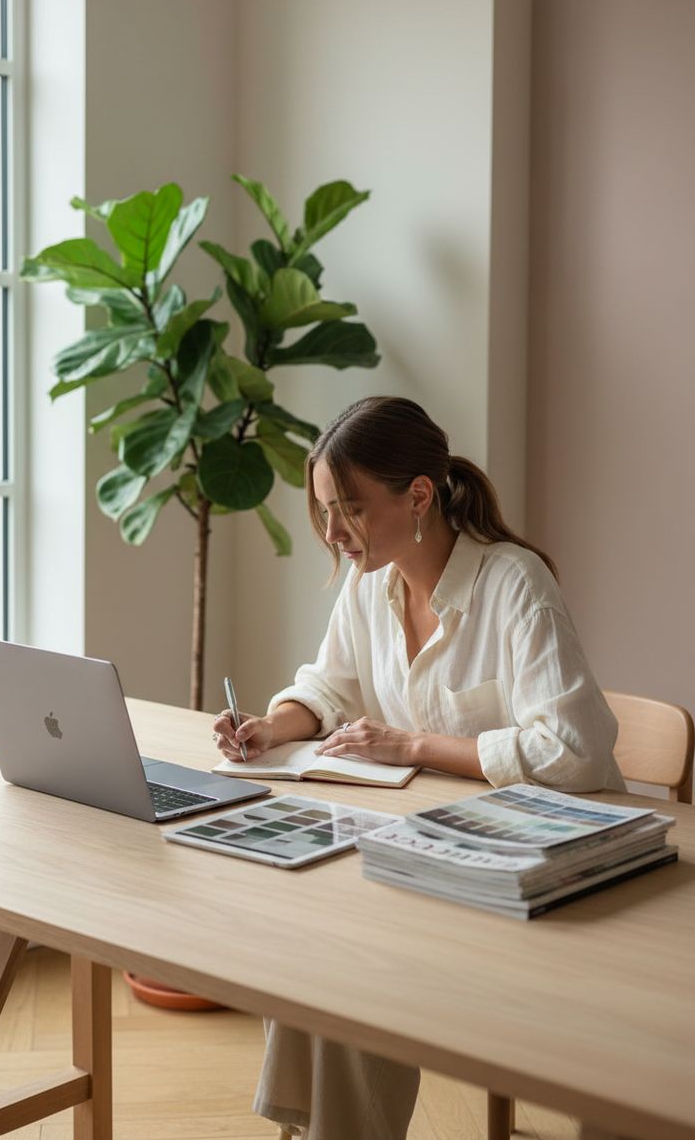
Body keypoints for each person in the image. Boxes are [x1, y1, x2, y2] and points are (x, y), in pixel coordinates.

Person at [213, 396, 624, 1140]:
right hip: (436, 849)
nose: (334, 534)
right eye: (324, 511)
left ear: (420, 496)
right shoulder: (370, 583)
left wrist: (412, 745)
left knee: (356, 953)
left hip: (550, 873)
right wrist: (271, 726)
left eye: (351, 510)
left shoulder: (514, 584)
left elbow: (574, 751)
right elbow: (329, 687)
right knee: (317, 944)